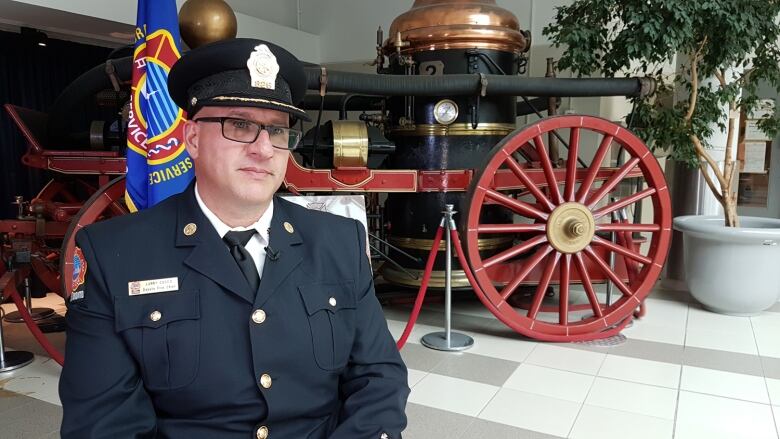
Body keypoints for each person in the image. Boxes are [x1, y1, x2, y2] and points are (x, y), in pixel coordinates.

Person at [59, 38, 409, 439]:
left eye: (277, 131)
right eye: (239, 124)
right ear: (191, 139)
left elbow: (378, 379)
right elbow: (103, 423)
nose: (264, 148)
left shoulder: (339, 241)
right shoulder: (112, 255)